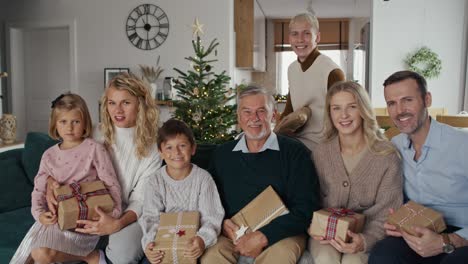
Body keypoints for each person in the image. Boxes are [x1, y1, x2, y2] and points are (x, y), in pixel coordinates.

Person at [46, 73, 162, 264]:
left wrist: (116, 224)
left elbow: (141, 199)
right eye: (111, 102)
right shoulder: (93, 132)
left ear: (140, 104)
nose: (118, 110)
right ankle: (90, 256)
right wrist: (50, 183)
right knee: (46, 245)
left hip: (128, 213)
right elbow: (61, 161)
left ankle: (96, 255)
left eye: (126, 102)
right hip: (90, 206)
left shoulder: (153, 147)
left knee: (122, 256)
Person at [201, 85, 320, 264]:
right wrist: (222, 222)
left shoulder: (295, 153)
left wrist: (263, 236)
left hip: (282, 235)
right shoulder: (222, 155)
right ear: (239, 117)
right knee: (212, 258)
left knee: (279, 257)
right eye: (247, 111)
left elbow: (306, 208)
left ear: (273, 115)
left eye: (261, 111)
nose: (254, 118)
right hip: (232, 235)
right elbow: (208, 201)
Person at [369, 70, 468, 264]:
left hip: (463, 234)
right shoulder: (395, 146)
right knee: (383, 255)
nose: (400, 110)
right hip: (418, 230)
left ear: (427, 99)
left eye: (407, 100)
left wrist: (447, 241)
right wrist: (397, 222)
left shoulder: (462, 145)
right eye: (392, 103)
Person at [11, 93, 122, 264]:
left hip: (83, 222)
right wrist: (40, 215)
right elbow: (38, 191)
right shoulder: (48, 156)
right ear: (55, 124)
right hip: (55, 221)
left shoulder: (94, 149)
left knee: (41, 255)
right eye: (63, 122)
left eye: (75, 122)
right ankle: (90, 258)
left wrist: (114, 214)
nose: (69, 128)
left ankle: (90, 255)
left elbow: (111, 183)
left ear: (85, 123)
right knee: (29, 259)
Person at [309, 81, 403, 264]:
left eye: (352, 107)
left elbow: (388, 211)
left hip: (366, 233)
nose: (343, 115)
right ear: (330, 113)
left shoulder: (386, 155)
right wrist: (312, 226)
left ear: (363, 110)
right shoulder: (320, 153)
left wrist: (365, 241)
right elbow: (309, 199)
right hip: (326, 234)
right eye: (336, 108)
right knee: (325, 258)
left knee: (354, 262)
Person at [139, 119, 225, 264]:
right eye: (169, 148)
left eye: (182, 146)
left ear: (193, 148)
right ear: (160, 152)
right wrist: (150, 244)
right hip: (163, 242)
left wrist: (202, 239)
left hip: (194, 242)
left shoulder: (203, 179)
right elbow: (150, 218)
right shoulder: (155, 181)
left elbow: (212, 217)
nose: (176, 153)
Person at [279, 12, 345, 151]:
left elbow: (342, 117)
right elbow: (290, 109)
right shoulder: (292, 69)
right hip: (297, 143)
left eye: (306, 33)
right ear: (289, 38)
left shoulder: (332, 72)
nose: (300, 39)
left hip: (323, 148)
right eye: (295, 34)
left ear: (318, 37)